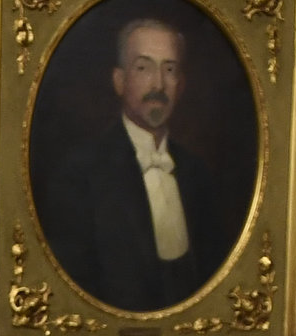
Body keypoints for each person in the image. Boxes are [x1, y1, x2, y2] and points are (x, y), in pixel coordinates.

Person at [34, 15, 249, 312]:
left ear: (181, 84)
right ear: (120, 81)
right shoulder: (79, 176)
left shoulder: (198, 175)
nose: (158, 84)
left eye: (170, 69)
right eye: (143, 68)